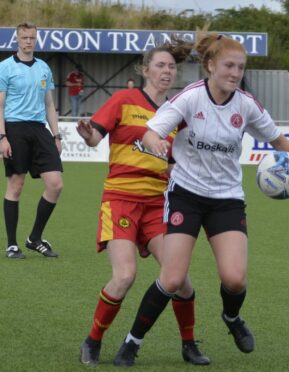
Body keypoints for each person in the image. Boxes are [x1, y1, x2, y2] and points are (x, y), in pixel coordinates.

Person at [112, 32, 289, 366]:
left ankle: (232, 319)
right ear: (211, 66)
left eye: (240, 67)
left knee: (235, 278)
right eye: (229, 65)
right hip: (185, 196)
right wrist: (154, 141)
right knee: (171, 279)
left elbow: (278, 140)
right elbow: (152, 130)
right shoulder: (190, 98)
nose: (235, 72)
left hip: (226, 199)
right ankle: (132, 342)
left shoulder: (245, 104)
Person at [75, 39, 210, 367]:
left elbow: (182, 156)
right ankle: (92, 341)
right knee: (125, 275)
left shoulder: (177, 110)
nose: (167, 71)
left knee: (180, 280)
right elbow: (95, 136)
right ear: (145, 69)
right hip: (121, 200)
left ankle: (189, 344)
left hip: (158, 205)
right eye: (160, 65)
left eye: (171, 66)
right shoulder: (124, 99)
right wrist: (85, 133)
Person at [0, 22, 63, 259]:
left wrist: (56, 134)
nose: (28, 41)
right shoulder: (4, 67)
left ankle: (34, 238)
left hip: (40, 129)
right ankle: (12, 244)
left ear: (36, 39)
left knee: (55, 184)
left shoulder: (44, 68)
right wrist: (3, 137)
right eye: (24, 38)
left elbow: (49, 104)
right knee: (16, 185)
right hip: (15, 129)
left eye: (32, 37)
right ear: (17, 39)